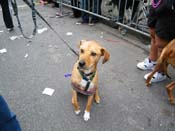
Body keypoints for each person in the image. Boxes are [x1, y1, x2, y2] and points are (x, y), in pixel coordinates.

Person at [137, 0, 175, 83]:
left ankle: (161, 72)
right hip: (156, 3)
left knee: (161, 43)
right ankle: (152, 60)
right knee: (152, 32)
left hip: (169, 7)